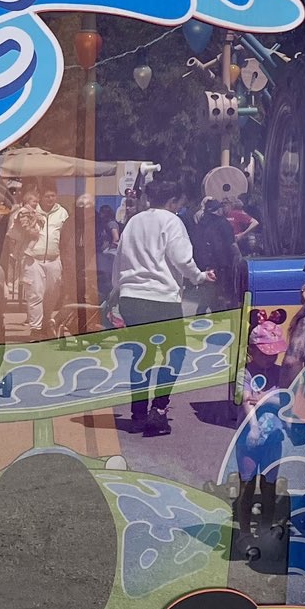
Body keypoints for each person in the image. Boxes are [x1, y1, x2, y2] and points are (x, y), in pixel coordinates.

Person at [112, 177, 213, 432]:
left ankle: (138, 413)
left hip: (131, 297)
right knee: (174, 352)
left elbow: (119, 259)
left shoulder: (133, 221)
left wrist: (118, 290)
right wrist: (199, 276)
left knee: (142, 355)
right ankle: (158, 409)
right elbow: (182, 258)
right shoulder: (172, 221)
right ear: (173, 201)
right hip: (160, 298)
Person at [11, 182, 69, 338]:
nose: (50, 199)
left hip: (54, 260)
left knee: (52, 295)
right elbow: (17, 228)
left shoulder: (62, 213)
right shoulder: (29, 211)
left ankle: (46, 322)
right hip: (33, 260)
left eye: (53, 196)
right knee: (35, 294)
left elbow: (66, 236)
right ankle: (35, 329)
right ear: (40, 197)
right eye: (47, 196)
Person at [191, 197, 244, 315]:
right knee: (220, 290)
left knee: (208, 288)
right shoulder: (222, 223)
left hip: (203, 262)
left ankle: (203, 312)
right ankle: (218, 313)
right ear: (218, 210)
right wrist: (239, 257)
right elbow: (231, 243)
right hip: (221, 262)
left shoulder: (201, 223)